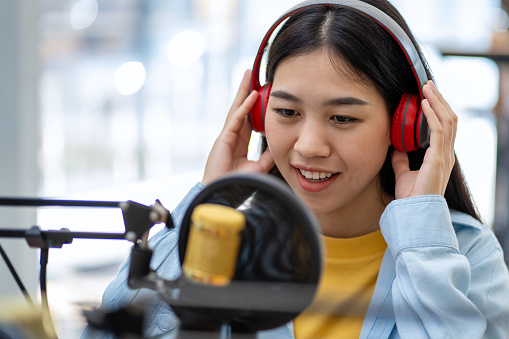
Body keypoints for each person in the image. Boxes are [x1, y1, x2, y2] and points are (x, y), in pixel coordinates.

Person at [82, 0, 509, 338]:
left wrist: (421, 233)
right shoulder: (228, 238)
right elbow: (116, 331)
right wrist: (209, 203)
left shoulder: (468, 255)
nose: (307, 146)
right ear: (259, 112)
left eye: (342, 118)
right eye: (286, 111)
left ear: (407, 126)